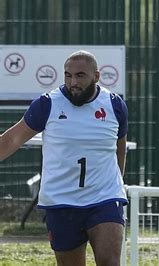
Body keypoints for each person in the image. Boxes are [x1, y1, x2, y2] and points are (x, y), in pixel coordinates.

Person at [0, 50, 128, 266]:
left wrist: (117, 184)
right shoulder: (47, 104)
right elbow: (12, 140)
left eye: (80, 76)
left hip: (104, 197)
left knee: (109, 262)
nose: (72, 82)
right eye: (68, 75)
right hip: (62, 201)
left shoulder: (115, 105)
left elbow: (120, 146)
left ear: (96, 76)